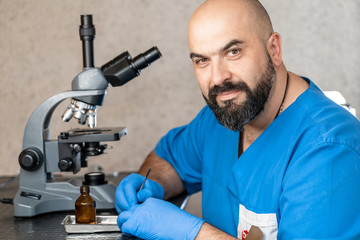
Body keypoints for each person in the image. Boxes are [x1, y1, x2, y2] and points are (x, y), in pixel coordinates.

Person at [115, 0, 360, 239]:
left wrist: (193, 234)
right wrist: (152, 185)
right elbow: (170, 160)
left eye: (233, 52)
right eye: (202, 60)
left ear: (274, 49)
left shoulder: (329, 150)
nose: (218, 78)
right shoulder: (223, 116)